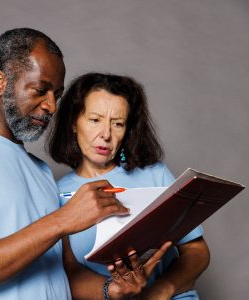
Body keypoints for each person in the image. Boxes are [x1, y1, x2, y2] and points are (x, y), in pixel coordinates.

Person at [0, 28, 171, 300]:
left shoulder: (40, 171)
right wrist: (63, 220)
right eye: (40, 90)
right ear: (0, 82)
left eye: (57, 94)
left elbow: (63, 272)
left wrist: (112, 289)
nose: (51, 106)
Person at [48, 72, 211, 299]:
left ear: (127, 130)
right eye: (95, 120)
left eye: (118, 124)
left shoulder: (156, 174)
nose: (106, 134)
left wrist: (159, 292)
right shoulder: (54, 193)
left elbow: (197, 251)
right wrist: (113, 291)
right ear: (74, 123)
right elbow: (68, 273)